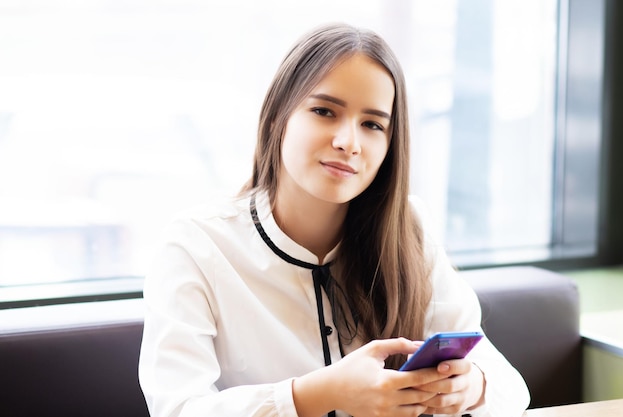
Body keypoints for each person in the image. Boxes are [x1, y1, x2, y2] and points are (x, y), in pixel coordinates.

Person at [138, 23, 530, 417]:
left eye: (373, 124)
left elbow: (511, 388)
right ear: (277, 117)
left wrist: (473, 386)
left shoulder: (407, 227)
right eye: (324, 111)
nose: (349, 143)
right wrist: (314, 395)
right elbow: (177, 409)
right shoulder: (195, 245)